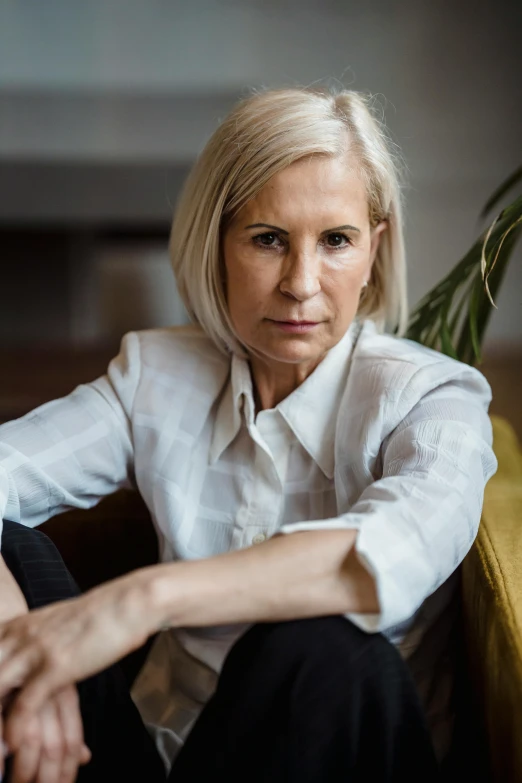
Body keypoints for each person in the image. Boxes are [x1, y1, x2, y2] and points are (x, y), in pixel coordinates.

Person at [0, 87, 497, 783]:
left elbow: (381, 556)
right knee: (13, 545)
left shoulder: (434, 400)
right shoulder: (154, 376)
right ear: (219, 244)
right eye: (268, 239)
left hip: (331, 756)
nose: (301, 282)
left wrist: (135, 601)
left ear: (374, 249)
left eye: (336, 241)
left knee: (323, 643)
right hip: (154, 760)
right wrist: (30, 666)